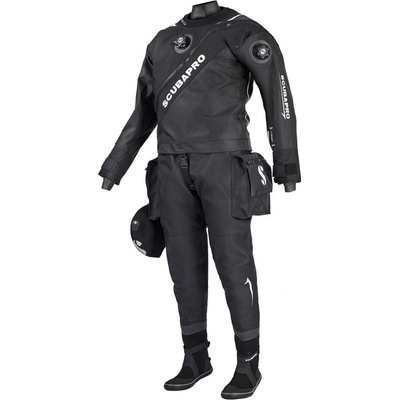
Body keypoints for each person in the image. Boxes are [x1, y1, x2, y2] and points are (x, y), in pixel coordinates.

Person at [99, 2, 301, 398]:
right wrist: (115, 165)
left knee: (233, 264)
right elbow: (144, 111)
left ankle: (248, 362)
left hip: (224, 164)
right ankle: (196, 358)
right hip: (170, 166)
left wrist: (287, 163)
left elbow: (278, 95)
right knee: (183, 268)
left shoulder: (243, 31)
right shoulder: (162, 41)